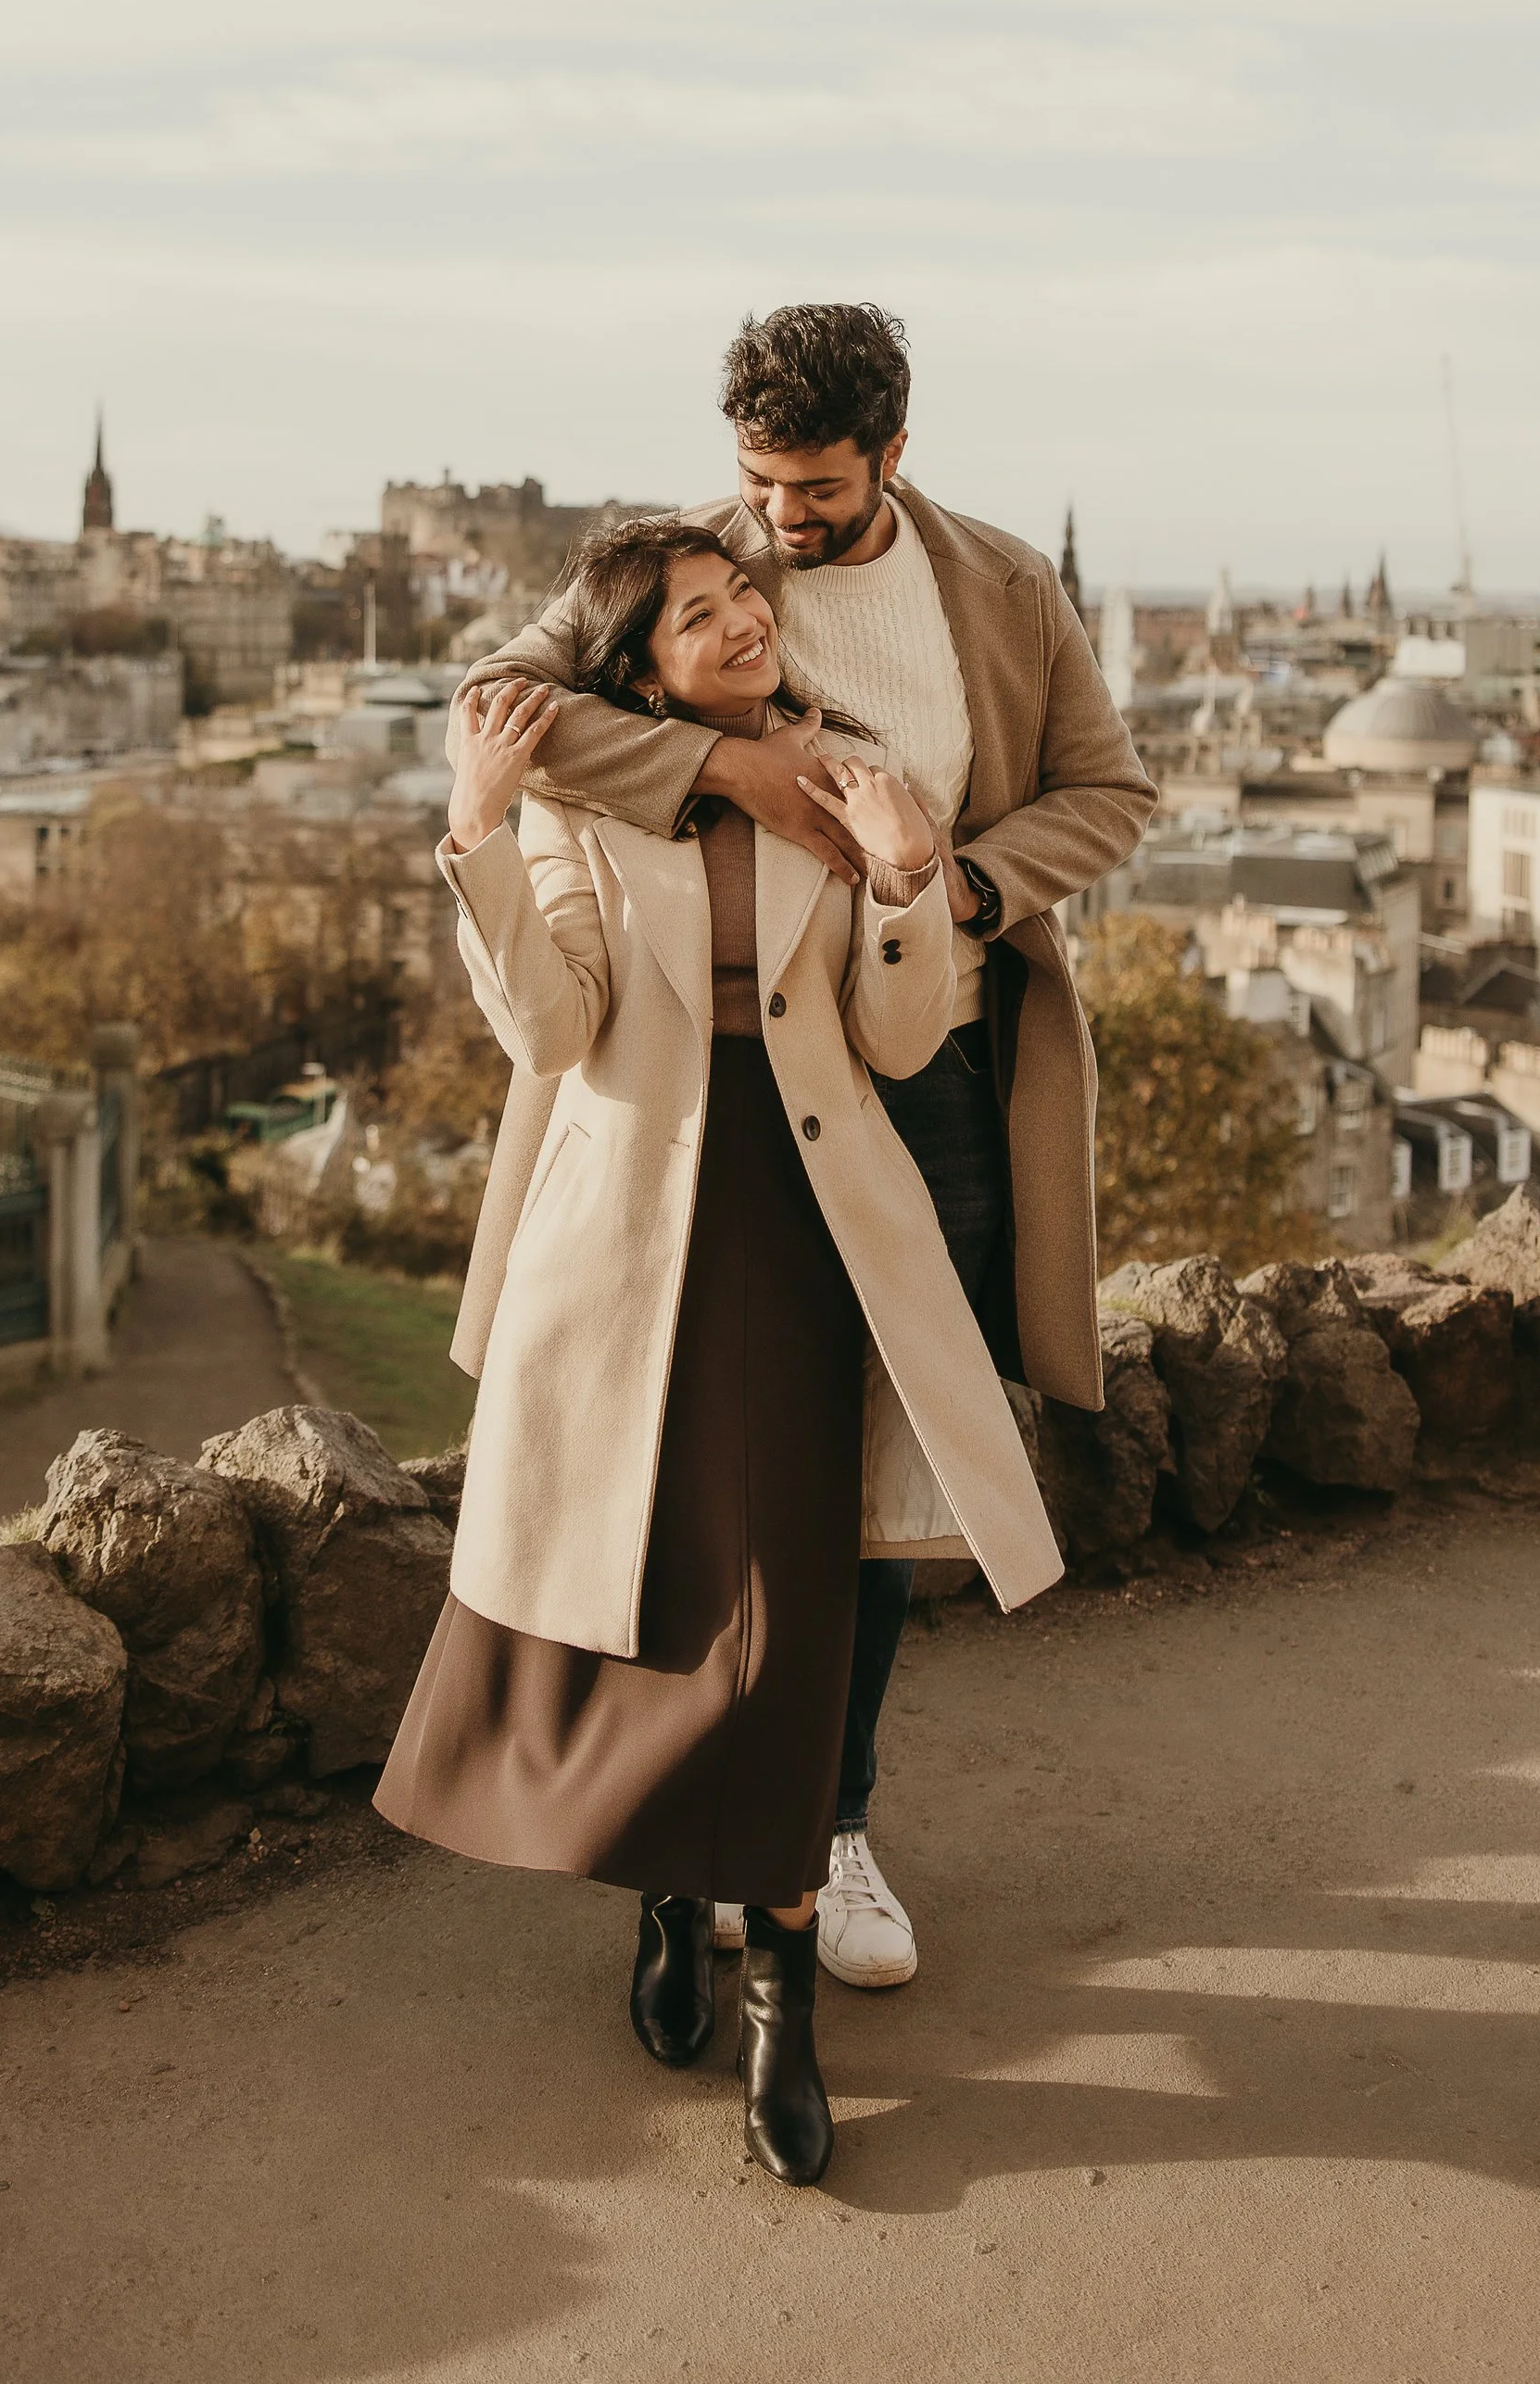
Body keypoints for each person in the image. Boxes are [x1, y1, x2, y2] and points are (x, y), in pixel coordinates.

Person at [448, 303, 1155, 1991]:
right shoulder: (695, 562)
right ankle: (682, 1831)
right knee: (691, 1456)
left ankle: (826, 1827)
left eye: (816, 491)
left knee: (883, 1479)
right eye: (758, 478)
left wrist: (959, 882)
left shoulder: (1003, 589)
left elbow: (1109, 794)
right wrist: (737, 771)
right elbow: (504, 706)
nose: (778, 521)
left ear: (893, 455)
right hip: (715, 1065)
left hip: (936, 1052)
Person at [374, 522, 1063, 2188]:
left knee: (793, 1612)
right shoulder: (582, 800)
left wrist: (909, 877)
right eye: (701, 612)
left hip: (817, 1217)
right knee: (659, 1593)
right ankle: (668, 1904)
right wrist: (475, 833)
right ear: (640, 665)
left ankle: (785, 2010)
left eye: (748, 595)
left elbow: (899, 1037)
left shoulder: (846, 774)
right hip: (637, 1229)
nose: (749, 614)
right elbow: (554, 1026)